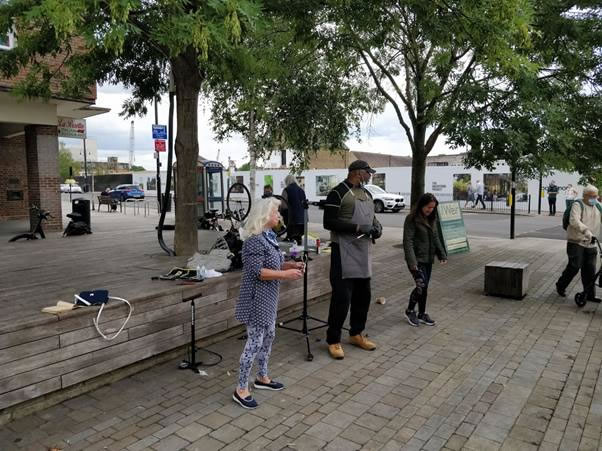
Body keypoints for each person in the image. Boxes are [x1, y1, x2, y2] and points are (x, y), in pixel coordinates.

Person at [233, 197, 304, 409]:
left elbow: (273, 263)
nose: (279, 216)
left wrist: (290, 264)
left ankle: (262, 377)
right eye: (275, 213)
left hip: (269, 299)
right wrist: (286, 275)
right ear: (265, 216)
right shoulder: (254, 240)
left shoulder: (268, 236)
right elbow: (259, 272)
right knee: (253, 344)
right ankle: (241, 388)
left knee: (269, 337)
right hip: (256, 300)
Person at [323, 160, 382, 360]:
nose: (370, 175)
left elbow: (372, 218)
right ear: (357, 173)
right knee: (342, 298)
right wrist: (357, 228)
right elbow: (328, 222)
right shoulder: (337, 193)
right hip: (343, 251)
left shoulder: (367, 194)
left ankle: (356, 334)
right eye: (368, 172)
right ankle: (333, 340)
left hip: (363, 251)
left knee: (363, 296)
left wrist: (376, 227)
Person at [403, 193, 448, 327]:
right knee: (421, 286)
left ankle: (422, 314)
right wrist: (412, 263)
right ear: (422, 205)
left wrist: (442, 254)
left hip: (428, 258)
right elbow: (408, 241)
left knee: (425, 287)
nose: (430, 210)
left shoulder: (432, 219)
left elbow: (435, 238)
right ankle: (410, 310)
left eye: (433, 208)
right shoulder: (411, 219)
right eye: (428, 207)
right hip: (416, 259)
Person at [556, 185, 602, 303]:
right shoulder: (578, 205)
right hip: (576, 241)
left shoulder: (598, 206)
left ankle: (589, 294)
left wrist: (591, 235)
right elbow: (574, 220)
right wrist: (586, 231)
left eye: (595, 196)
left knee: (590, 270)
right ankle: (561, 285)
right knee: (574, 266)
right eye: (591, 196)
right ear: (585, 196)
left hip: (591, 242)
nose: (594, 198)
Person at [281, 174, 307, 244]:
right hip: (302, 218)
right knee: (298, 236)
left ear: (287, 181)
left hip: (291, 219)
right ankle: (298, 239)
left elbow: (283, 205)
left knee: (284, 213)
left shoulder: (286, 190)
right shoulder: (301, 190)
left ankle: (289, 236)